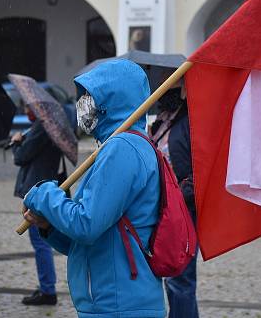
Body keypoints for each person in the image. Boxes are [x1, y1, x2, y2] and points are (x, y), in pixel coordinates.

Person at [22, 59, 165, 318]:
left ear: (112, 97)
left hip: (120, 303)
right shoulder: (116, 147)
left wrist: (43, 194)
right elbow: (92, 240)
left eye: (90, 95)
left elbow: (86, 224)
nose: (84, 103)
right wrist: (50, 226)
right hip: (109, 301)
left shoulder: (123, 148)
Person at [153, 85, 199, 318]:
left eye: (171, 87)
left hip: (184, 208)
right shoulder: (160, 121)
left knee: (180, 277)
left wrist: (183, 190)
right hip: (162, 207)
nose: (165, 93)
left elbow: (200, 167)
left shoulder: (192, 121)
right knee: (172, 275)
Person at [11, 106, 63, 306]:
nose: (26, 109)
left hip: (38, 190)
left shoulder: (42, 126)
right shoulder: (48, 126)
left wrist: (17, 143)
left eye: (28, 106)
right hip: (43, 187)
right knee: (41, 241)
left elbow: (21, 156)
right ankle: (45, 287)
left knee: (40, 242)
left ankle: (48, 290)